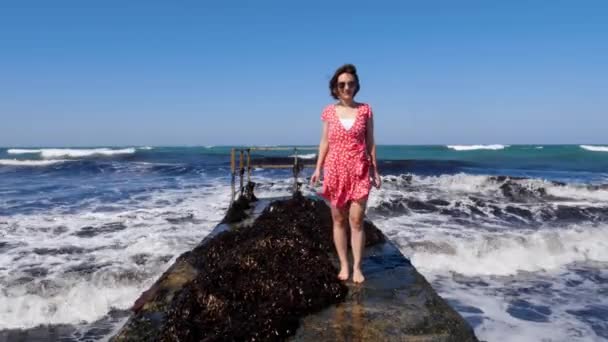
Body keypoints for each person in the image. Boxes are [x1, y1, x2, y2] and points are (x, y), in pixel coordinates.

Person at [310, 64, 381, 283]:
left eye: (350, 83)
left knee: (357, 220)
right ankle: (344, 265)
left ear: (356, 86)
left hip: (359, 170)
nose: (346, 87)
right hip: (335, 171)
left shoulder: (365, 110)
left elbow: (370, 142)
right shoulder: (328, 112)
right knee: (339, 220)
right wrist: (318, 168)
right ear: (336, 88)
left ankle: (358, 267)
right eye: (342, 84)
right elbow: (324, 142)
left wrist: (375, 170)